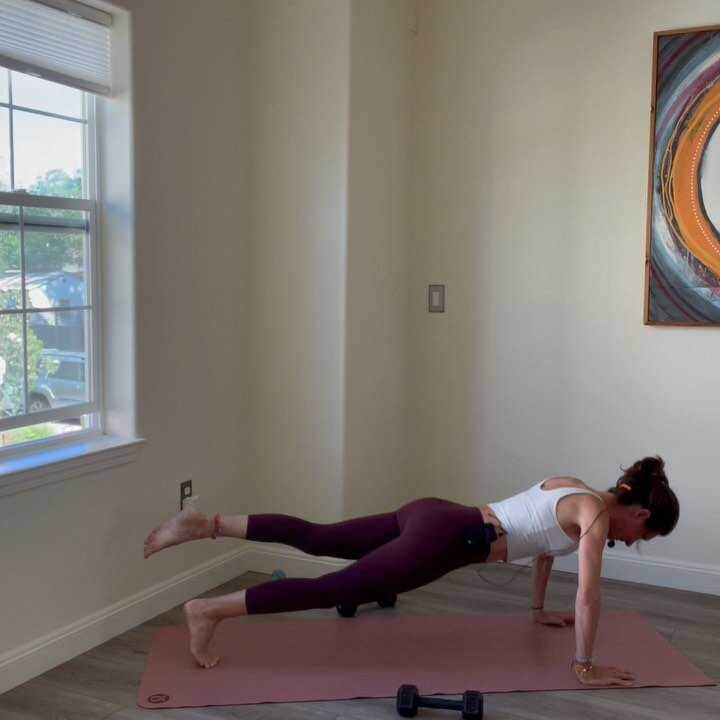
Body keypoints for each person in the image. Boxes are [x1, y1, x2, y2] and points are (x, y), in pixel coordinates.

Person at [143, 456, 679, 684]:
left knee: (320, 536)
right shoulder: (596, 516)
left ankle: (206, 524)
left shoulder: (574, 487)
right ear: (640, 512)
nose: (631, 543)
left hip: (435, 513)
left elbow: (542, 546)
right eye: (643, 535)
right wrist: (585, 665)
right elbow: (589, 595)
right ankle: (209, 609)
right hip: (443, 541)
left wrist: (537, 612)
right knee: (334, 587)